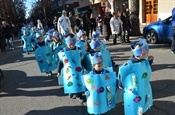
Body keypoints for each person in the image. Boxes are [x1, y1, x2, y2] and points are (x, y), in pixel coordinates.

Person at [117, 38, 153, 115]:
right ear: (141, 54)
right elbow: (122, 72)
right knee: (134, 107)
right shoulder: (129, 65)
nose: (147, 54)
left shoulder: (143, 61)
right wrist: (120, 83)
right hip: (134, 90)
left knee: (142, 104)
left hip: (142, 87)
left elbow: (145, 68)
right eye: (146, 53)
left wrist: (150, 61)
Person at [57, 34, 89, 102]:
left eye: (73, 44)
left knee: (78, 82)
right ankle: (72, 92)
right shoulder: (63, 52)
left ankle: (78, 95)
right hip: (69, 71)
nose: (71, 45)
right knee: (70, 81)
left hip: (78, 71)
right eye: (70, 44)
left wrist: (87, 67)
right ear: (67, 43)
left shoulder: (79, 50)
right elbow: (60, 62)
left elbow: (83, 60)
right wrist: (59, 71)